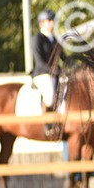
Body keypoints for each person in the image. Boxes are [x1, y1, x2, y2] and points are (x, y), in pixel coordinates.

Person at [31, 9, 62, 139]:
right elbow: (40, 61)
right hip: (42, 74)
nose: (52, 23)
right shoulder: (37, 38)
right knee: (49, 94)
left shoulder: (55, 39)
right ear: (42, 23)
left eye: (52, 21)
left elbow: (64, 57)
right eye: (49, 21)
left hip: (55, 74)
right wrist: (54, 71)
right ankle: (47, 124)